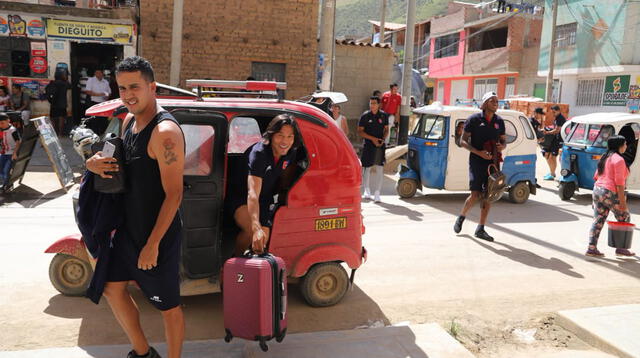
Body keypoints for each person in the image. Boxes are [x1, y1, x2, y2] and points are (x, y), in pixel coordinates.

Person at [85, 56, 185, 358]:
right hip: (126, 230)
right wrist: (93, 163)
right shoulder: (128, 121)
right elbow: (115, 163)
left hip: (157, 236)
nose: (128, 94)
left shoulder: (165, 133)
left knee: (168, 307)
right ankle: (142, 352)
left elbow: (175, 195)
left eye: (135, 87)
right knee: (112, 287)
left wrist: (153, 245)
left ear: (152, 87)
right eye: (122, 88)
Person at [230, 114, 300, 255]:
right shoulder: (259, 154)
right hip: (242, 198)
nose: (285, 141)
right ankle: (230, 265)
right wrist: (256, 227)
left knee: (263, 239)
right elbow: (252, 193)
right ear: (272, 135)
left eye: (290, 137)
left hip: (265, 200)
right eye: (280, 135)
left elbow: (286, 175)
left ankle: (251, 268)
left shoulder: (290, 153)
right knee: (251, 231)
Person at [453, 92, 506, 242]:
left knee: (489, 195)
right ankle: (462, 216)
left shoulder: (499, 121)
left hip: (493, 162)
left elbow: (504, 141)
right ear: (484, 103)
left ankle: (480, 228)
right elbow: (462, 141)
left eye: (497, 100)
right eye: (492, 100)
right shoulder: (474, 120)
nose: (496, 102)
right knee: (475, 195)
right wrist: (479, 153)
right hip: (477, 161)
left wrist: (501, 147)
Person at [586, 135, 634, 257]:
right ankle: (621, 248)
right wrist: (622, 202)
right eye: (624, 144)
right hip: (610, 191)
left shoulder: (605, 157)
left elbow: (596, 176)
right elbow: (619, 183)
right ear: (619, 145)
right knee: (624, 217)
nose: (626, 146)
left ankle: (591, 248)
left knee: (598, 220)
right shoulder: (619, 160)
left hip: (598, 190)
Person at [358, 96, 388, 203]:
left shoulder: (384, 115)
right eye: (371, 103)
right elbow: (360, 131)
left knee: (380, 168)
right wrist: (373, 139)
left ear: (379, 104)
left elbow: (386, 129)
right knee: (367, 168)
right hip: (368, 145)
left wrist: (382, 139)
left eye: (374, 103)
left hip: (380, 145)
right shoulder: (365, 116)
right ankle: (367, 190)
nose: (372, 105)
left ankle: (377, 193)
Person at [541, 105, 567, 180]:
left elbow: (557, 130)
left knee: (553, 157)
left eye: (554, 112)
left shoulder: (560, 118)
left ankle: (552, 174)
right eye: (552, 112)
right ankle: (551, 172)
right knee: (547, 156)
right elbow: (554, 128)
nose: (553, 113)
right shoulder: (556, 118)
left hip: (558, 140)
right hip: (554, 139)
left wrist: (547, 132)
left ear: (558, 110)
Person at [84, 68, 112, 135]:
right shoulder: (91, 80)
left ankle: (102, 134)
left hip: (103, 103)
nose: (98, 75)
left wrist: (107, 96)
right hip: (93, 102)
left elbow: (109, 92)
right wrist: (99, 94)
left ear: (102, 74)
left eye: (99, 73)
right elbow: (88, 91)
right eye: (96, 73)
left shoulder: (105, 82)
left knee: (103, 120)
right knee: (94, 120)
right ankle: (94, 134)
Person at [0, 113, 20, 192]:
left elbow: (18, 142)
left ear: (8, 121)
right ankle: (6, 183)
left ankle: (8, 184)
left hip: (11, 153)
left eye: (2, 123)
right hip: (3, 153)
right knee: (1, 170)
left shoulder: (13, 130)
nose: (1, 125)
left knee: (6, 170)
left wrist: (15, 153)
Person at [47, 70, 71, 136]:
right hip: (62, 104)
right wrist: (66, 79)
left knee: (53, 119)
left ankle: (53, 134)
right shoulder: (64, 83)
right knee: (61, 118)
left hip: (53, 103)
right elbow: (70, 86)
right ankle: (60, 134)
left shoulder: (52, 83)